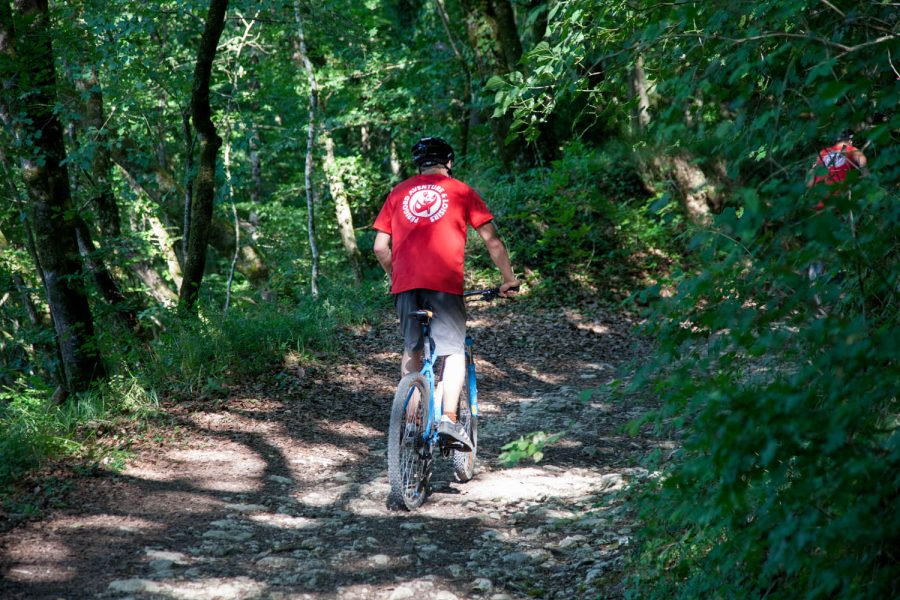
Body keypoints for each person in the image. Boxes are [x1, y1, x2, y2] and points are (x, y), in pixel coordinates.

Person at [372, 136, 519, 448]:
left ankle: (410, 424)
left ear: (418, 164)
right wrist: (508, 279)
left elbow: (380, 247)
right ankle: (448, 419)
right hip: (444, 284)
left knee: (412, 351)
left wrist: (397, 278)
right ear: (448, 162)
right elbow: (492, 241)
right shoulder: (461, 191)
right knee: (452, 352)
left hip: (406, 286)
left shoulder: (398, 193)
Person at [806, 129, 868, 209]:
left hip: (818, 199)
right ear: (850, 141)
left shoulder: (824, 152)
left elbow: (809, 183)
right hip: (839, 201)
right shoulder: (852, 150)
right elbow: (865, 172)